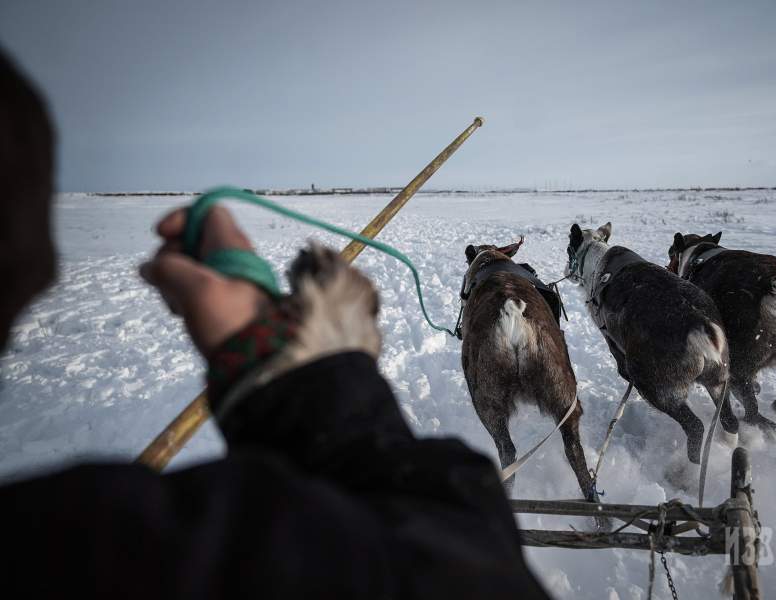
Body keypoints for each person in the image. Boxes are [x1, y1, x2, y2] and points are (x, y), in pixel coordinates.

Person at [0, 49, 549, 599]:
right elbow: (451, 563)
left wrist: (267, 359)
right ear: (32, 270)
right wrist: (302, 374)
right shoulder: (101, 543)